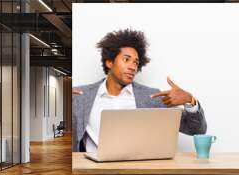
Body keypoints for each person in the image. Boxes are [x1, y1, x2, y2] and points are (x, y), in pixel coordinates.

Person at [72, 28, 207, 152]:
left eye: (136, 62)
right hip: (90, 172)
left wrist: (190, 101)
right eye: (126, 60)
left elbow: (197, 130)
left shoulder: (151, 97)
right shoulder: (81, 96)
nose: (132, 67)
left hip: (137, 173)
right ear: (109, 62)